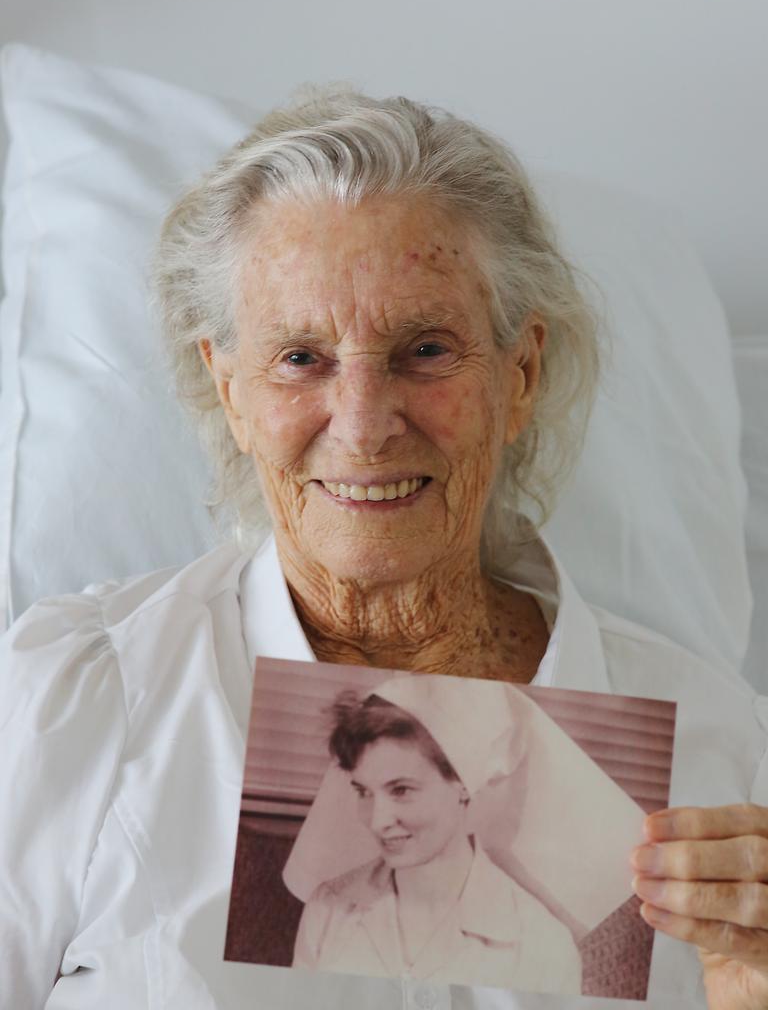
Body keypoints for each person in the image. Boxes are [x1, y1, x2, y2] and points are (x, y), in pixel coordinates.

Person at [1, 86, 767, 1010]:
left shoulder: (726, 761)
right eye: (299, 358)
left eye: (427, 349)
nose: (363, 428)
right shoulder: (76, 704)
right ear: (229, 387)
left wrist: (743, 982)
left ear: (520, 375)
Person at [291, 687, 582, 994]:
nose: (376, 821)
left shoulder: (543, 949)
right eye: (364, 792)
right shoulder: (328, 909)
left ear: (463, 784)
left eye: (401, 790)